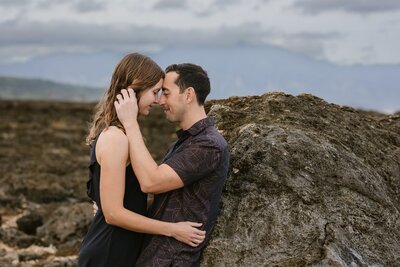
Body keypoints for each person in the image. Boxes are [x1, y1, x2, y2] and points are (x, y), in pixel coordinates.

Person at [78, 54, 206, 267]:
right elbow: (113, 215)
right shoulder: (116, 138)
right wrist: (173, 229)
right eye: (155, 92)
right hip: (108, 253)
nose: (158, 101)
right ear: (133, 90)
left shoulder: (123, 134)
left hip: (120, 249)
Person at [114, 63, 230, 266]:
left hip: (172, 260)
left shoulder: (209, 145)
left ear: (188, 94)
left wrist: (130, 122)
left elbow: (151, 182)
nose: (160, 101)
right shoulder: (189, 142)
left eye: (166, 93)